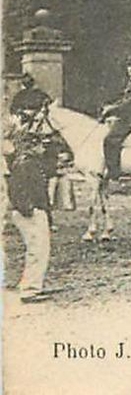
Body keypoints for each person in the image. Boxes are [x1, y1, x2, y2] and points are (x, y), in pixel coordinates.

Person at [4, 78, 71, 302]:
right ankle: (30, 290)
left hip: (33, 208)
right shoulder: (25, 161)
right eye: (39, 144)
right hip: (29, 210)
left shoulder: (28, 159)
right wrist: (29, 209)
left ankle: (32, 284)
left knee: (39, 248)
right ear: (32, 144)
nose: (43, 146)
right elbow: (18, 187)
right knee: (37, 248)